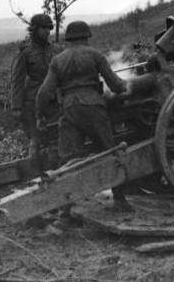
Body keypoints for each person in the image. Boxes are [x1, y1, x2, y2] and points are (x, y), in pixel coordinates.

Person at [35, 20, 133, 217]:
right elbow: (115, 85)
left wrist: (41, 115)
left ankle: (65, 212)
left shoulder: (58, 60)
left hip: (69, 110)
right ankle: (120, 200)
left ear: (68, 39)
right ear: (86, 37)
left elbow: (44, 93)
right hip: (94, 108)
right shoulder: (95, 55)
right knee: (110, 152)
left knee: (69, 161)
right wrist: (125, 87)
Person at [10, 13, 62, 173]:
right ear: (34, 29)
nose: (47, 31)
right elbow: (17, 80)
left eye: (49, 28)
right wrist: (16, 106)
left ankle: (57, 172)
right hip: (32, 103)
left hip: (53, 101)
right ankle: (36, 175)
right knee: (36, 140)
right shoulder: (26, 52)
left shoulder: (55, 49)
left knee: (56, 137)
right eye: (43, 28)